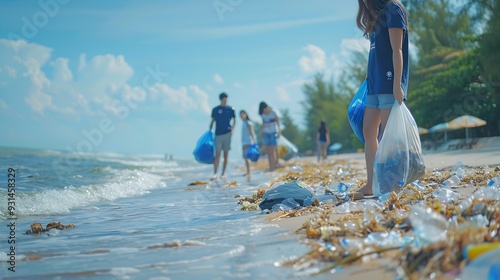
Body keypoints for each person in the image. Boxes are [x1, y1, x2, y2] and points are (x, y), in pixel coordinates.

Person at [356, 0, 409, 196]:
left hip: (388, 82)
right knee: (369, 131)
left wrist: (397, 85)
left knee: (388, 137)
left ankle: (391, 184)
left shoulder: (393, 9)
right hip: (374, 83)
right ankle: (371, 184)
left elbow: (398, 50)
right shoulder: (375, 17)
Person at [209, 92, 236, 180]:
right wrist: (209, 131)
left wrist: (233, 129)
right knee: (217, 154)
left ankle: (223, 173)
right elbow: (213, 120)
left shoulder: (231, 108)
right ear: (221, 99)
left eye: (226, 98)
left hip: (227, 133)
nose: (226, 100)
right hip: (218, 134)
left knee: (226, 154)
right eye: (224, 98)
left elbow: (235, 119)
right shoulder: (215, 109)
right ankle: (215, 173)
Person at [258, 101, 281, 171]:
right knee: (268, 152)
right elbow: (263, 124)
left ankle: (273, 167)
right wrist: (261, 133)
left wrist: (279, 131)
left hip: (273, 133)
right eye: (263, 110)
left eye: (265, 109)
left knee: (272, 151)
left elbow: (278, 122)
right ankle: (271, 167)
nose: (264, 111)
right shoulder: (263, 115)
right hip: (266, 133)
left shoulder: (273, 113)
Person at [240, 110, 256, 178]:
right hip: (244, 143)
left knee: (247, 158)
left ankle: (249, 172)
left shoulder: (248, 123)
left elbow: (252, 132)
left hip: (248, 142)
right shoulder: (244, 123)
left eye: (243, 114)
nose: (241, 116)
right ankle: (248, 172)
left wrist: (254, 141)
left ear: (246, 114)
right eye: (240, 115)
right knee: (245, 158)